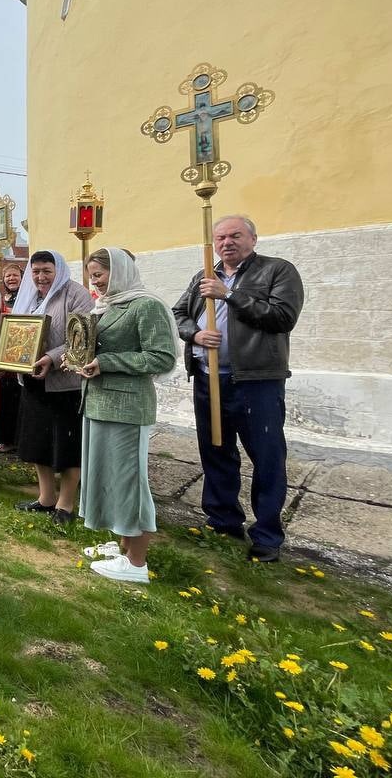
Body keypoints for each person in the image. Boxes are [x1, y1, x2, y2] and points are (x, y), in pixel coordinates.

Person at [171, 215, 304, 562]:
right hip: (208, 376)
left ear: (253, 239)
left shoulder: (277, 271)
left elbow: (282, 317)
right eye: (221, 237)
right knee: (215, 448)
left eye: (235, 236)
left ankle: (267, 534)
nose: (227, 242)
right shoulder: (204, 275)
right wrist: (195, 334)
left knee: (266, 455)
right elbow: (180, 312)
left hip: (255, 380)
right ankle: (223, 519)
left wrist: (229, 295)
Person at [76, 248, 178, 583]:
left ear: (119, 272)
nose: (96, 282)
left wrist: (107, 363)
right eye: (92, 276)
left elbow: (161, 358)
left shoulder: (146, 305)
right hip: (99, 402)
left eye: (100, 275)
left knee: (129, 483)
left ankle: (136, 564)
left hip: (127, 407)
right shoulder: (109, 306)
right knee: (107, 479)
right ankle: (122, 546)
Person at [11, 250, 94, 523]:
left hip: (64, 385)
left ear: (58, 269)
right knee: (38, 443)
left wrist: (52, 358)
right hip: (33, 382)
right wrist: (4, 356)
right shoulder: (29, 296)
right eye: (35, 271)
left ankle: (66, 505)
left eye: (47, 270)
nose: (40, 276)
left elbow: (81, 339)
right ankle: (46, 498)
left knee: (67, 447)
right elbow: (14, 334)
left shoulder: (75, 294)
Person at [0, 262, 24, 454]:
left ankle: (18, 439)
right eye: (8, 276)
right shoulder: (0, 300)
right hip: (2, 351)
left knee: (19, 400)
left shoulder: (29, 297)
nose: (11, 279)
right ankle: (4, 439)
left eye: (15, 275)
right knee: (4, 399)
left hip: (20, 351)